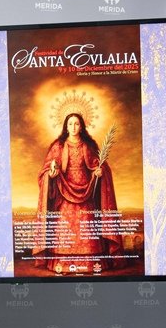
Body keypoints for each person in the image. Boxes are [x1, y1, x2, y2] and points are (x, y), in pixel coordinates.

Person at [34, 112, 120, 273]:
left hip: (86, 194)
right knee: (63, 229)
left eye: (77, 124)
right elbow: (46, 171)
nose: (73, 127)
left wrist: (100, 172)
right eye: (70, 124)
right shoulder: (58, 147)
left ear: (81, 127)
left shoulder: (88, 146)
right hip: (64, 194)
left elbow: (99, 166)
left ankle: (91, 264)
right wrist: (51, 174)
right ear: (66, 126)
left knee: (87, 229)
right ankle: (62, 264)